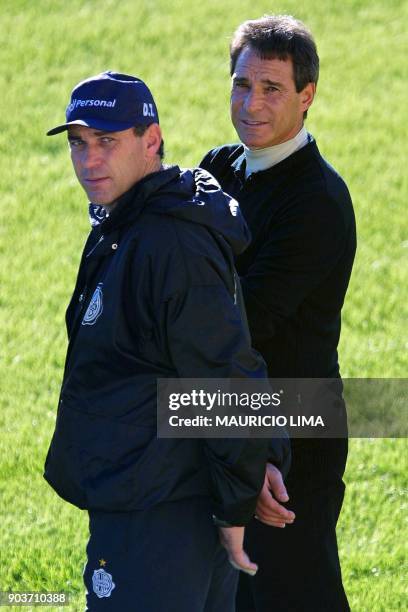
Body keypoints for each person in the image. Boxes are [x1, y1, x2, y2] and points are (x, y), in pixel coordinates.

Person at [43, 71, 290, 612]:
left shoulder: (166, 242)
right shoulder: (129, 222)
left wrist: (233, 507)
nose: (89, 161)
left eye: (107, 142)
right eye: (78, 144)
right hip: (150, 497)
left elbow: (223, 373)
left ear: (150, 141)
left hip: (159, 515)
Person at [200, 15, 356, 612]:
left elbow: (245, 321)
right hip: (227, 411)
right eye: (242, 84)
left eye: (271, 88)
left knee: (296, 593)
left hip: (296, 426)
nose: (251, 103)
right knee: (234, 595)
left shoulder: (317, 202)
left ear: (306, 96)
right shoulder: (218, 168)